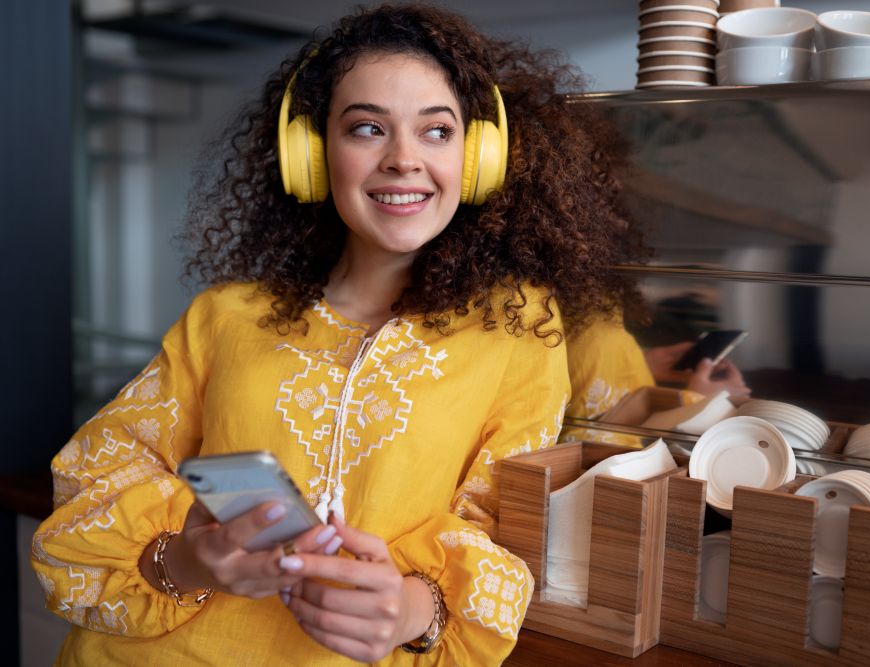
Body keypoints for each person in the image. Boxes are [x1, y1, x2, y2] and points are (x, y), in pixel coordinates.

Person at [31, 4, 643, 665]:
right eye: (368, 128)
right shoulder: (225, 314)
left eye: (437, 131)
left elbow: (503, 537)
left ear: (478, 160)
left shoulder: (521, 327)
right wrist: (186, 558)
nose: (404, 159)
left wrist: (416, 609)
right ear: (313, 153)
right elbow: (91, 486)